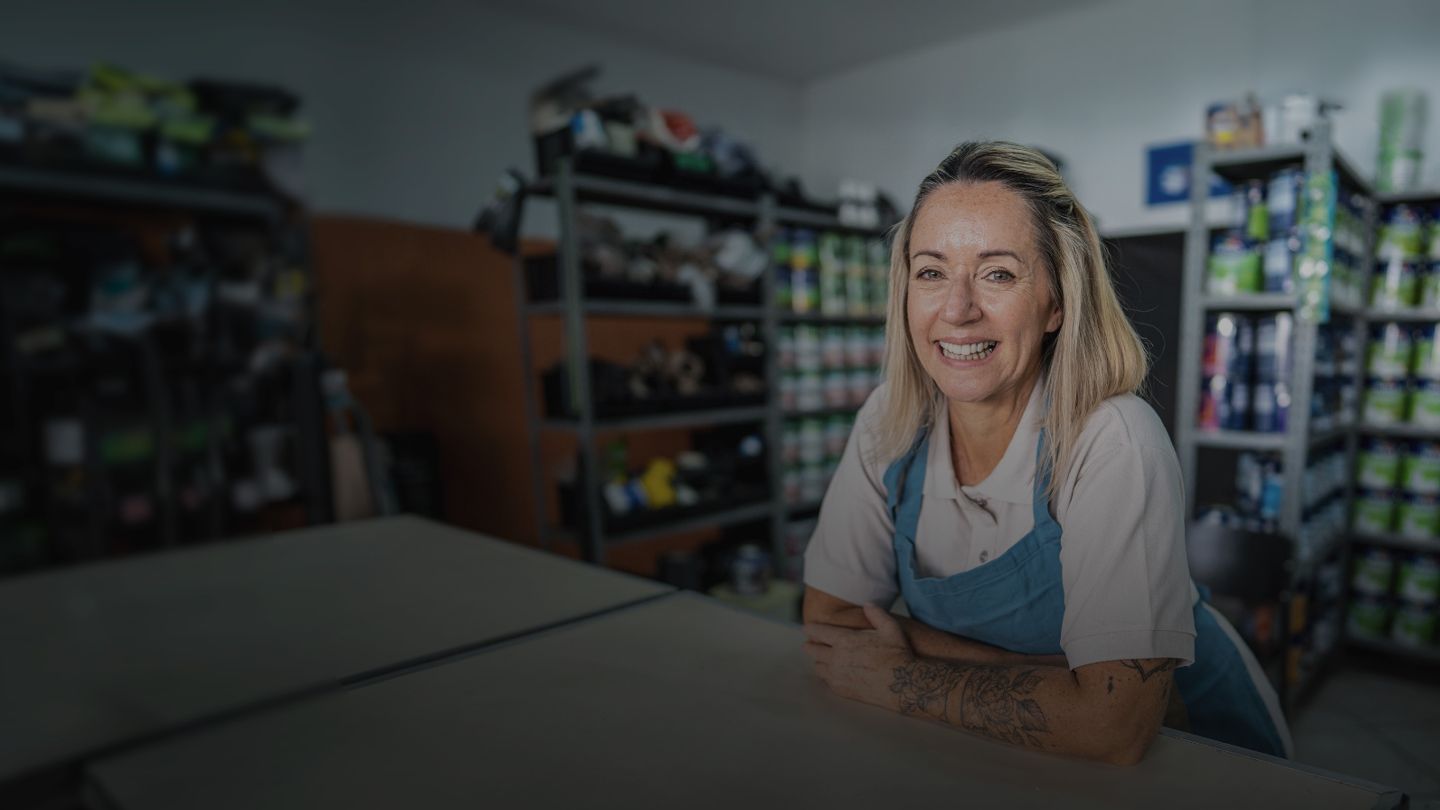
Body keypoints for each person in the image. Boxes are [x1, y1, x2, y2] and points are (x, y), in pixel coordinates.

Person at [800, 141, 1291, 765]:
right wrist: (1055, 680)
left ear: (1057, 302)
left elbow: (1114, 728)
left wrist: (903, 672)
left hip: (1207, 758)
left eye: (997, 273)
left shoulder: (1110, 438)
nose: (958, 310)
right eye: (931, 272)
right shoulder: (888, 422)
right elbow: (830, 620)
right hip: (1010, 755)